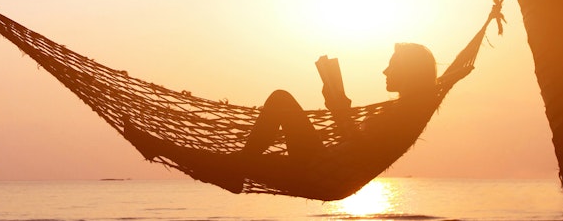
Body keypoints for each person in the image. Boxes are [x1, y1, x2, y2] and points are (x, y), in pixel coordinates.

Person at [124, 44, 441, 200]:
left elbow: (358, 145)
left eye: (392, 65)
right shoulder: (407, 109)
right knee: (232, 163)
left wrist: (338, 100)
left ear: (411, 71)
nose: (385, 71)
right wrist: (335, 99)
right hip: (327, 168)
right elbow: (357, 144)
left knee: (279, 101)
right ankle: (156, 145)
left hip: (328, 173)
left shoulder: (402, 114)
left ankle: (226, 165)